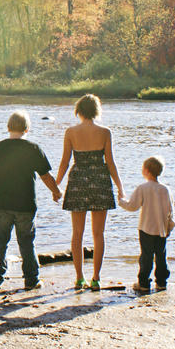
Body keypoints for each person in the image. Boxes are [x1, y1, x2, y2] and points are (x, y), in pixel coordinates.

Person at [0, 110, 62, 290]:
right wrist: (56, 192)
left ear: (8, 127)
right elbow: (45, 176)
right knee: (26, 242)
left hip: (2, 203)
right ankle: (32, 279)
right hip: (26, 205)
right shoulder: (33, 149)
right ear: (27, 129)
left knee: (0, 241)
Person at [56, 94, 123, 291]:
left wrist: (56, 185)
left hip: (78, 181)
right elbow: (110, 162)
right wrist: (120, 186)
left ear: (79, 111)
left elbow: (65, 162)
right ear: (96, 111)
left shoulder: (70, 132)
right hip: (100, 180)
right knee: (98, 234)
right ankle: (96, 278)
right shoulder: (105, 132)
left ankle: (79, 278)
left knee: (77, 233)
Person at [118, 156, 175, 292]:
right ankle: (161, 281)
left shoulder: (143, 188)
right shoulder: (165, 189)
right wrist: (169, 227)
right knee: (161, 256)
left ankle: (143, 282)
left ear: (147, 171)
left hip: (146, 228)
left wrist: (121, 201)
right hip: (161, 228)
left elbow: (133, 206)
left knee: (146, 256)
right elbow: (170, 211)